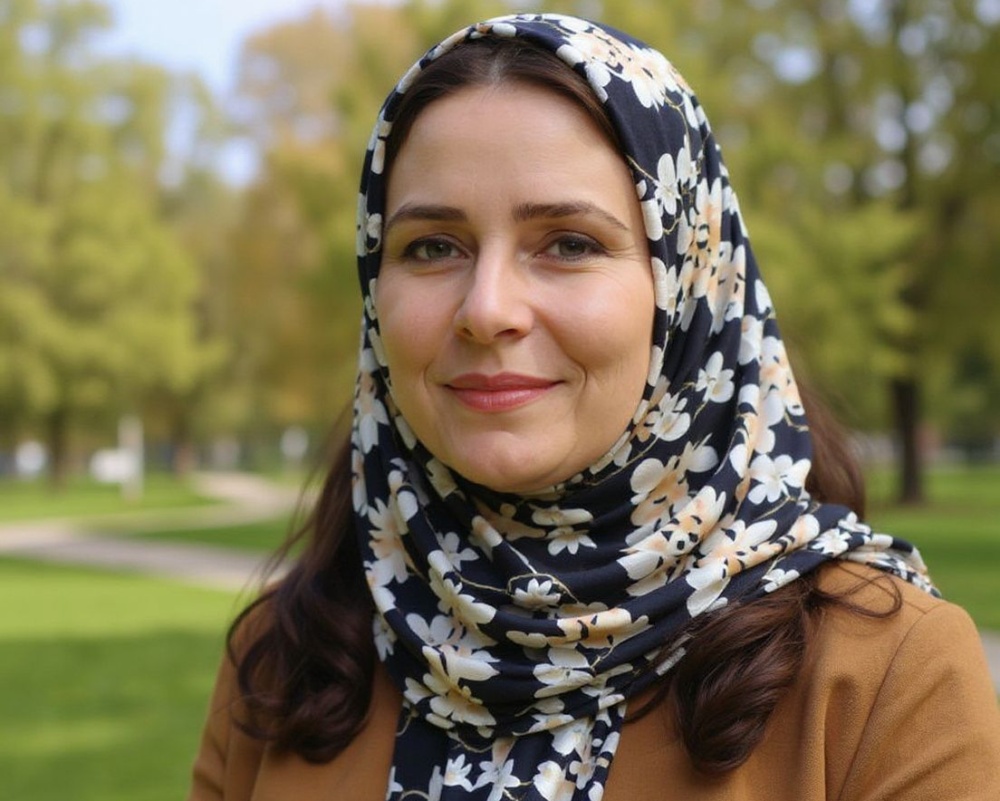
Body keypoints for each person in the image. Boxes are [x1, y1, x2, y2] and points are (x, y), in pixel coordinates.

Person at [188, 13, 1000, 801]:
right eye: (433, 246)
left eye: (569, 243)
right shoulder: (288, 658)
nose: (488, 307)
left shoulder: (882, 675)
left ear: (686, 287)